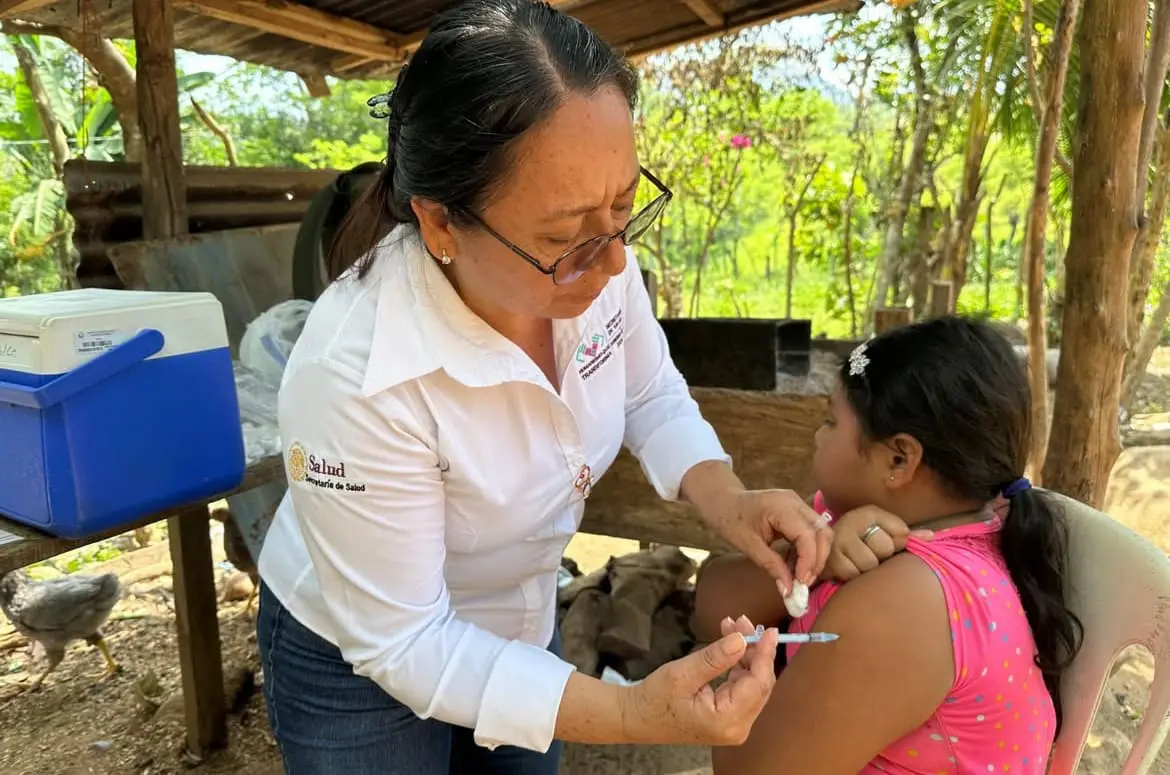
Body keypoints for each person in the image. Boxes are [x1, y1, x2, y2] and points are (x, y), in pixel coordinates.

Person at [255, 1, 833, 773]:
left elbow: (649, 391)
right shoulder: (358, 374)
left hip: (516, 613)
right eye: (562, 237)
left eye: (623, 206)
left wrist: (729, 500)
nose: (614, 262)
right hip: (360, 650)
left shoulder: (596, 263)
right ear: (440, 224)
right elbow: (408, 640)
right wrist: (630, 712)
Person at [693, 316, 1085, 775]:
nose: (817, 435)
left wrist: (735, 691)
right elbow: (708, 607)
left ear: (899, 459)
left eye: (830, 421)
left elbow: (749, 771)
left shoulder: (908, 602)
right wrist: (811, 560)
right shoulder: (857, 519)